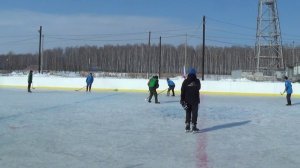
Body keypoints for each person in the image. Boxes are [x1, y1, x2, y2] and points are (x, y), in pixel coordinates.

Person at [180, 68, 201, 132]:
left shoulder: (185, 81)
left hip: (187, 100)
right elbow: (199, 88)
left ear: (188, 73)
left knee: (188, 112)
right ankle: (194, 126)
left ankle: (187, 126)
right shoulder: (197, 81)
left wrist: (182, 100)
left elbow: (182, 91)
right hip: (195, 100)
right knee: (194, 113)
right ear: (195, 73)